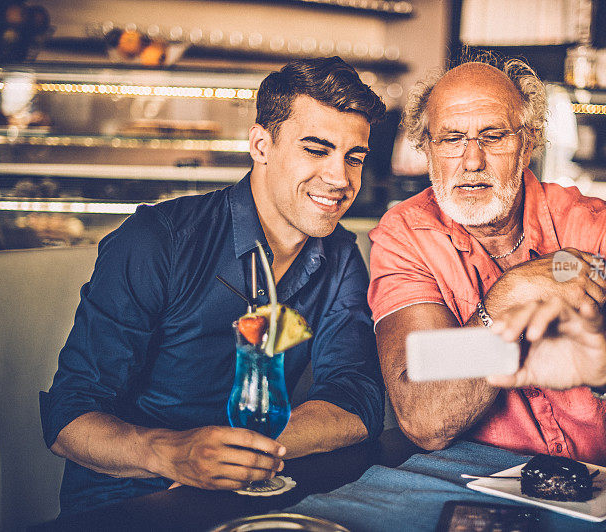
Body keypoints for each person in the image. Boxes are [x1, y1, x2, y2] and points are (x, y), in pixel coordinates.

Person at [40, 56, 386, 514]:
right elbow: (69, 416)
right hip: (129, 503)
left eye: (354, 158)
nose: (341, 179)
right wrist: (173, 454)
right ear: (261, 145)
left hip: (254, 496)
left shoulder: (339, 254)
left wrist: (246, 454)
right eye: (316, 150)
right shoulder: (157, 240)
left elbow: (356, 395)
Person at [368, 57, 606, 481]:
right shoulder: (405, 237)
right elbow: (425, 418)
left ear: (527, 144)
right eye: (450, 139)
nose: (471, 160)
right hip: (480, 492)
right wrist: (505, 300)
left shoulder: (602, 227)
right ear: (425, 147)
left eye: (492, 136)